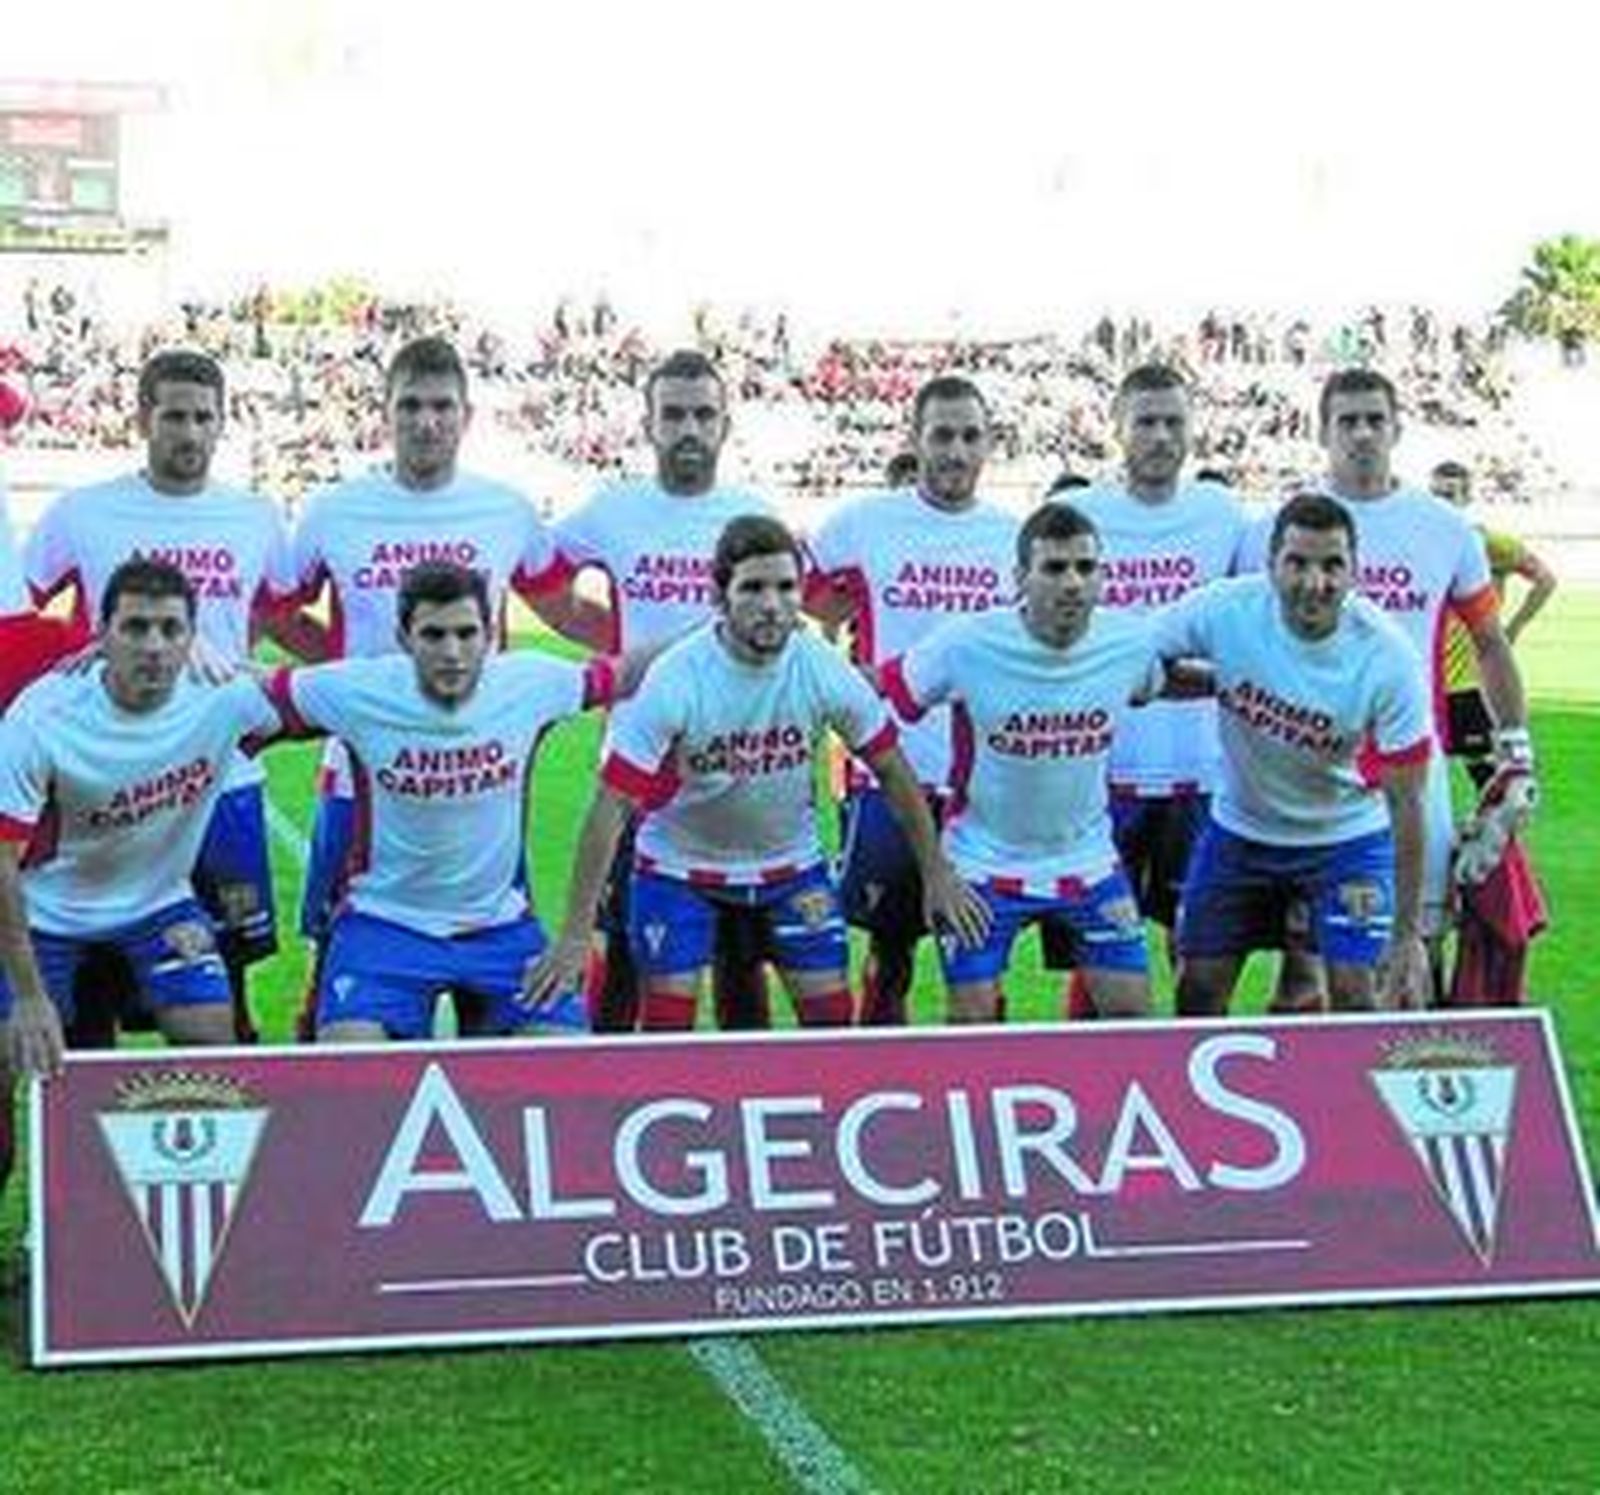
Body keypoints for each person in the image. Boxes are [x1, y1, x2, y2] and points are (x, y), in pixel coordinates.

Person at [523, 516, 988, 1030]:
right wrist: (573, 936)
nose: (772, 605)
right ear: (720, 596)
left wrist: (937, 871)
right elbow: (611, 807)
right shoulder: (677, 677)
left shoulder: (819, 666)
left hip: (789, 870)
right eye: (754, 588)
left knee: (833, 1026)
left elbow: (893, 771)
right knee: (667, 1028)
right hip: (680, 871)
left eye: (786, 587)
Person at [283, 336, 587, 1038]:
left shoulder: (505, 509)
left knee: (494, 958)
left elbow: (557, 604)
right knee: (331, 966)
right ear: (384, 412)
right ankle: (332, 1111)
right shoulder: (335, 509)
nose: (427, 421)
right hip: (357, 779)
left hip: (478, 777)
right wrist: (348, 676)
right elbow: (274, 606)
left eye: (442, 406)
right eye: (411, 405)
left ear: (467, 415)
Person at [23, 349, 303, 1044]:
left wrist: (231, 673)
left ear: (222, 423)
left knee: (226, 981)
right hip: (110, 779)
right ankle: (88, 1141)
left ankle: (232, 1142)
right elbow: (25, 617)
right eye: (174, 415)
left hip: (224, 779)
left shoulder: (255, 517)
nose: (189, 432)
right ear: (143, 417)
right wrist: (77, 663)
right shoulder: (82, 512)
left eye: (203, 417)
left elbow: (274, 613)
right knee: (93, 992)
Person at [266, 562, 632, 1042]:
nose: (452, 652)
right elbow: (252, 695)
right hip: (385, 924)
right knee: (350, 1066)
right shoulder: (357, 689)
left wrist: (721, 634)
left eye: (466, 633)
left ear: (491, 633)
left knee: (564, 1062)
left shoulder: (531, 683)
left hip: (499, 926)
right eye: (433, 635)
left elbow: (629, 670)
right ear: (404, 638)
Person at [549, 349, 779, 1033]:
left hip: (739, 771)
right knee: (621, 947)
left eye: (703, 414)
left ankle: (748, 1101)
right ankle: (606, 1088)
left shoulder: (751, 514)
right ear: (648, 424)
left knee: (743, 960)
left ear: (725, 425)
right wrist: (619, 657)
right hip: (638, 767)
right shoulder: (612, 511)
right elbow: (540, 581)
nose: (689, 428)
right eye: (673, 414)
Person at [0, 560, 282, 1091]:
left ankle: (201, 1171)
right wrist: (31, 998)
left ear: (192, 640)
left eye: (170, 629)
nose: (153, 645)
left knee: (213, 1045)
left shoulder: (224, 698)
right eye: (134, 627)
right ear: (101, 635)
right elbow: (1, 863)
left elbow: (328, 699)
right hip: (47, 916)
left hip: (159, 907)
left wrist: (247, 668)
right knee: (8, 1054)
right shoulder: (41, 717)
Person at [881, 503, 1159, 1022]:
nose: (1072, 583)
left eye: (1085, 567)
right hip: (982, 862)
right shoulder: (967, 643)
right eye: (1054, 569)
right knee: (972, 1023)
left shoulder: (1131, 644)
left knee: (1134, 1020)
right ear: (1020, 579)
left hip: (1088, 861)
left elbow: (1156, 686)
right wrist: (937, 871)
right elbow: (884, 696)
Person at [1158, 494, 1434, 1014]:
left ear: (1355, 571)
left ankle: (1344, 1097)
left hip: (1346, 837)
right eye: (1298, 563)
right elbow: (1142, 660)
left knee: (1358, 996)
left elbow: (1408, 802)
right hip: (1241, 830)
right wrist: (1212, 684)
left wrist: (1407, 934)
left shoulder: (1388, 656)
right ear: (1271, 565)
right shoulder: (1225, 609)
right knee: (1196, 992)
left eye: (1332, 565)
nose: (1315, 582)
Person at [806, 376, 1019, 1024]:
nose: (956, 451)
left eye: (969, 436)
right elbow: (807, 595)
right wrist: (845, 642)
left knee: (982, 957)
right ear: (915, 439)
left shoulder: (1014, 537)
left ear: (990, 444)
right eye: (942, 435)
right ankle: (879, 1082)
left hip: (986, 784)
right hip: (889, 772)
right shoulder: (864, 522)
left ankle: (979, 1097)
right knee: (891, 952)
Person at [1065, 365, 1248, 1012]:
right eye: (1146, 421)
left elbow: (1255, 628)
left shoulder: (1222, 514)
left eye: (1174, 421)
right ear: (1117, 428)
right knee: (1096, 958)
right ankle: (1091, 1091)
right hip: (1102, 773)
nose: (1161, 435)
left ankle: (1187, 1091)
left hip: (1201, 774)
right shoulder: (1081, 516)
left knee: (1197, 958)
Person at [1430, 460, 1557, 789]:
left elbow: (1544, 580)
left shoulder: (1486, 543)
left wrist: (1512, 628)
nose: (1441, 502)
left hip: (1468, 682)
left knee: (1486, 774)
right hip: (1425, 679)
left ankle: (1505, 841)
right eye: (1435, 494)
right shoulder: (1422, 545)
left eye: (1449, 494)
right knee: (1416, 773)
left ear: (1466, 498)